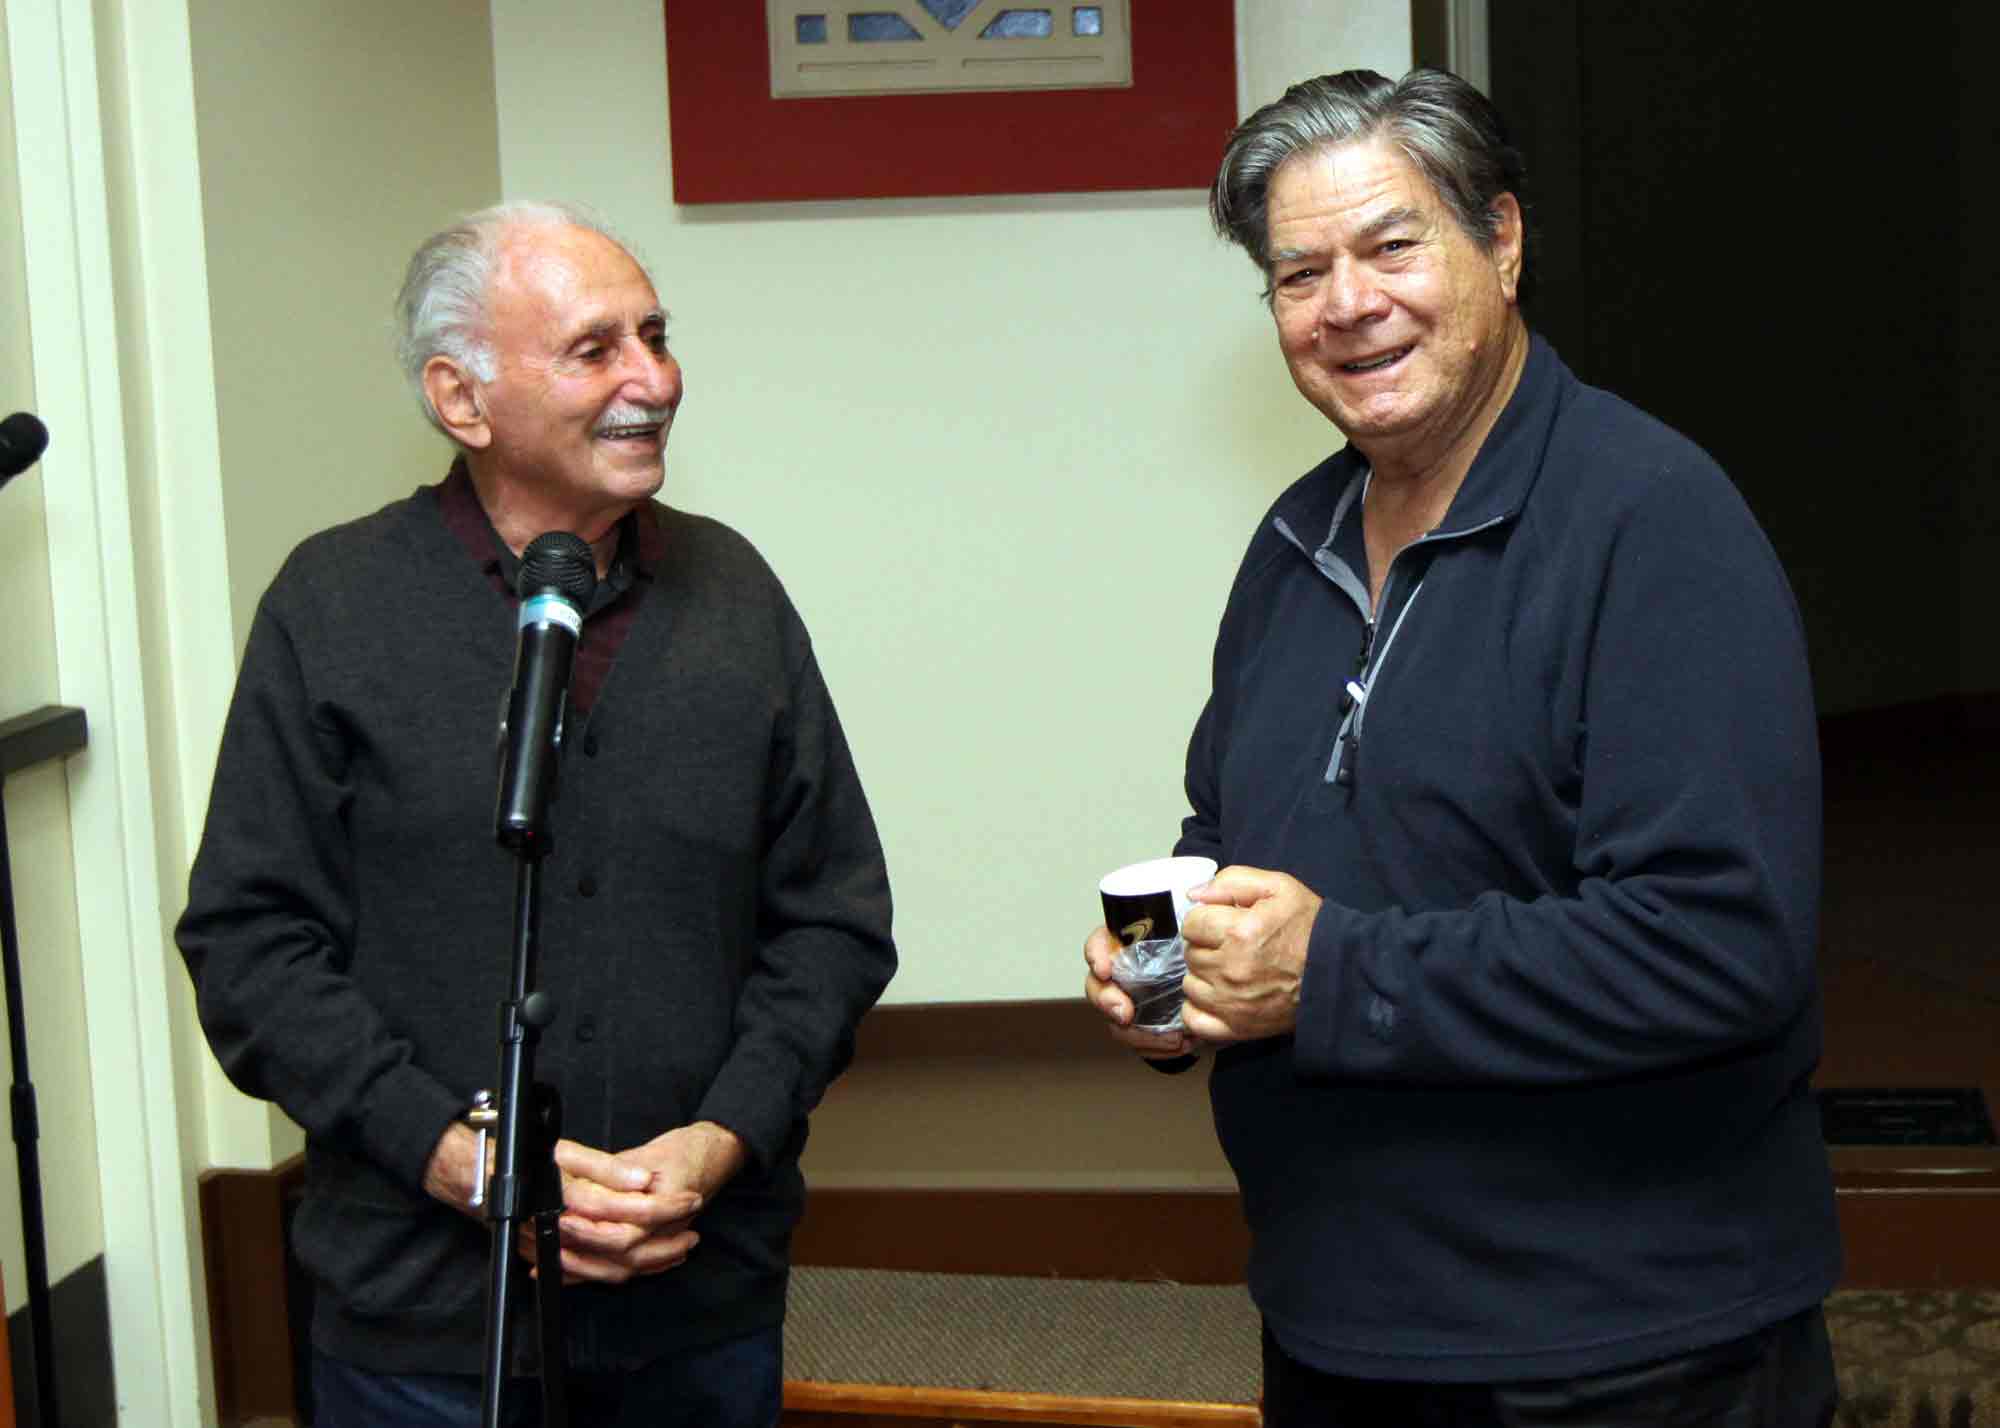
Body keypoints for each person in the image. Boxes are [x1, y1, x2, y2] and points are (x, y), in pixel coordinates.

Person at [1083, 69, 1839, 1425]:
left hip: (1617, 1351)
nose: (1346, 304)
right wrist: (1182, 966)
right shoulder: (1292, 543)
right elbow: (1231, 834)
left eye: (1391, 246)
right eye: (1298, 274)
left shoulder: (1654, 522)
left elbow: (1717, 943)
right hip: (1336, 1323)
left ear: (1501, 241)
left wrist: (1324, 972)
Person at [177, 201, 896, 1428]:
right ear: (461, 399)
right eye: (593, 349)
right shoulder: (334, 606)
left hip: (698, 1305)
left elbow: (832, 921)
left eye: (655, 336)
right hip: (422, 1334)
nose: (652, 381)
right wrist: (459, 1160)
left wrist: (720, 1140)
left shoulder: (734, 593)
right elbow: (250, 946)